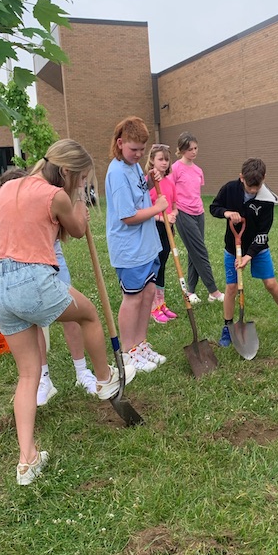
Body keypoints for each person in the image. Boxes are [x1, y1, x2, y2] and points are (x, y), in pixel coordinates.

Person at [0, 139, 137, 485]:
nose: (81, 184)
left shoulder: (9, 188)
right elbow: (78, 229)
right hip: (33, 282)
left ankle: (27, 461)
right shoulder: (54, 195)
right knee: (88, 315)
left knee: (28, 375)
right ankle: (103, 379)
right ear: (67, 171)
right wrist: (80, 202)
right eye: (81, 178)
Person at [0, 168, 98, 405]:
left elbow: (74, 228)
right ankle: (43, 379)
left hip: (50, 261)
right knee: (30, 320)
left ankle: (82, 371)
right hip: (21, 270)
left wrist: (79, 204)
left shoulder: (49, 196)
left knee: (72, 314)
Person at [209, 157, 278, 346]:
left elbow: (263, 233)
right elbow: (214, 207)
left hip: (258, 249)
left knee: (270, 283)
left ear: (264, 178)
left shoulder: (266, 200)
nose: (252, 190)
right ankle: (228, 327)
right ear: (241, 177)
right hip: (232, 247)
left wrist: (248, 256)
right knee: (231, 288)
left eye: (256, 186)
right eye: (249, 186)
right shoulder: (230, 189)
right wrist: (226, 213)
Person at [105, 116, 167, 372]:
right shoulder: (117, 173)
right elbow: (128, 216)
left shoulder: (132, 167)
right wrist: (157, 209)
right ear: (120, 143)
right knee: (133, 298)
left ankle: (141, 344)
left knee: (148, 294)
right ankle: (129, 352)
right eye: (134, 149)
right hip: (129, 248)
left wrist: (150, 181)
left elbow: (138, 192)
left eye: (143, 150)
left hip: (147, 245)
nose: (139, 154)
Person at [170, 131, 224, 304]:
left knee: (195, 251)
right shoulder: (175, 168)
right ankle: (213, 291)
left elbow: (195, 192)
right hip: (183, 213)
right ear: (181, 150)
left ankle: (191, 291)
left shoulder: (199, 170)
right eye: (190, 149)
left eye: (195, 148)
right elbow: (169, 190)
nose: (194, 152)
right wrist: (174, 210)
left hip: (199, 213)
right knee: (201, 251)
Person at [144, 143, 178, 324]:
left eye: (166, 159)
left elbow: (174, 205)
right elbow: (145, 209)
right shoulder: (147, 183)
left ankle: (161, 303)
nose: (164, 163)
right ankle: (152, 307)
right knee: (155, 266)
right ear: (152, 160)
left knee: (163, 264)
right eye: (160, 159)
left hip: (168, 229)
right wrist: (161, 218)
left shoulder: (170, 181)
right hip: (154, 228)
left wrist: (172, 215)